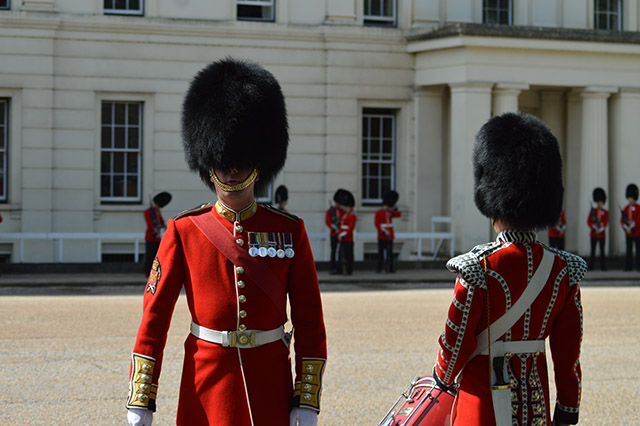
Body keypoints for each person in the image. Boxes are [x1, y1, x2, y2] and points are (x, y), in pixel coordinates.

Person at [126, 58, 327, 426]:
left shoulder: (289, 230)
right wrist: (142, 396)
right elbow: (155, 318)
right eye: (223, 160)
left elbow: (310, 319)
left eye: (241, 159)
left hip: (269, 385)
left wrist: (307, 397)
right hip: (206, 384)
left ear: (259, 162)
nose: (231, 169)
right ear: (208, 161)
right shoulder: (185, 230)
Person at [432, 112, 586, 426]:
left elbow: (454, 347)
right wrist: (568, 409)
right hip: (536, 407)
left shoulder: (479, 267)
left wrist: (440, 381)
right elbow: (568, 356)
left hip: (481, 406)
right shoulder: (563, 270)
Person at [143, 192, 171, 274]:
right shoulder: (148, 212)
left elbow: (161, 221)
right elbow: (150, 224)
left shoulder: (157, 211)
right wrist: (155, 232)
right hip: (151, 237)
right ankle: (148, 272)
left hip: (157, 238)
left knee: (156, 256)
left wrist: (163, 226)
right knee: (150, 256)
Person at [374, 190, 401, 273]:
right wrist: (383, 232)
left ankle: (389, 268)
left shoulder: (390, 212)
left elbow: (398, 214)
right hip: (382, 235)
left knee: (390, 254)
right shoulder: (379, 212)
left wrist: (394, 208)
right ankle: (379, 268)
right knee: (381, 254)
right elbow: (377, 224)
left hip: (390, 236)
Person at [588, 187, 609, 270]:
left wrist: (600, 229)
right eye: (598, 201)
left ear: (603, 202)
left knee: (602, 251)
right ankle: (591, 266)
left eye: (600, 202)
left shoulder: (605, 212)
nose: (599, 203)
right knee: (592, 251)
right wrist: (594, 227)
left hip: (601, 234)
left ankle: (603, 267)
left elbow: (606, 222)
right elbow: (589, 221)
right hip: (593, 233)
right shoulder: (593, 211)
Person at [325, 189, 346, 275]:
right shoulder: (330, 211)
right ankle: (332, 267)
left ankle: (339, 268)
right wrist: (334, 229)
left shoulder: (342, 211)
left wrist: (340, 229)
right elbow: (328, 221)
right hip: (334, 233)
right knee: (333, 251)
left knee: (340, 252)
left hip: (340, 233)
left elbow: (344, 221)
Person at [620, 183, 640, 271]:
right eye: (629, 197)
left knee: (638, 251)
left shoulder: (638, 207)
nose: (630, 199)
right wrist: (626, 228)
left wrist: (631, 226)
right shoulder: (626, 208)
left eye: (631, 197)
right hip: (628, 233)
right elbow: (622, 220)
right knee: (629, 250)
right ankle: (628, 266)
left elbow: (638, 219)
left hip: (637, 232)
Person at [337, 190, 356, 275]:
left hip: (347, 238)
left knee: (348, 255)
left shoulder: (351, 215)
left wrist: (343, 234)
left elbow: (350, 227)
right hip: (342, 237)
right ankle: (341, 269)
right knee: (341, 254)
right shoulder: (345, 214)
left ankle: (349, 271)